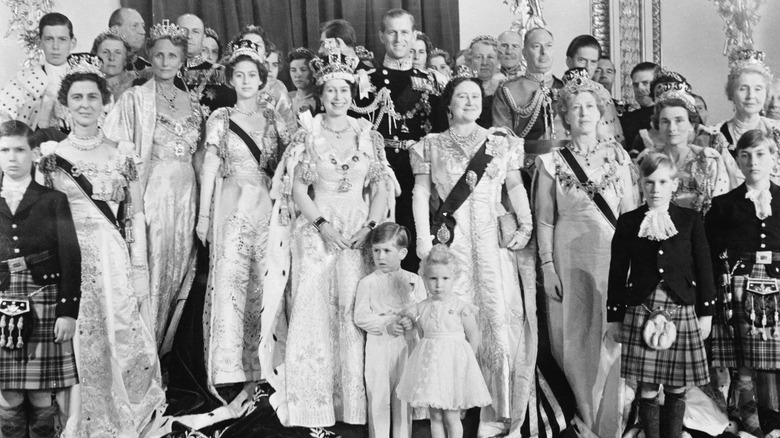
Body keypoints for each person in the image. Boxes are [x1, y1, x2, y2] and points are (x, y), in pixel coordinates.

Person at [259, 44, 396, 429]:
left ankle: (353, 405)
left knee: (354, 309)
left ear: (354, 94)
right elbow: (299, 190)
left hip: (358, 228)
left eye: (344, 90)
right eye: (331, 90)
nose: (338, 97)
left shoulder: (367, 133)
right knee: (315, 307)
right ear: (320, 94)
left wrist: (370, 226)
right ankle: (314, 402)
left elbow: (381, 185)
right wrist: (323, 226)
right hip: (317, 228)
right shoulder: (308, 133)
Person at [37, 56, 165, 436]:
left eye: (92, 96)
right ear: (65, 104)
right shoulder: (51, 157)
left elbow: (135, 216)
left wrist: (139, 268)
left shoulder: (122, 152)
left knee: (121, 329)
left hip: (113, 256)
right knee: (82, 337)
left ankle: (125, 412)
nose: (85, 105)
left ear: (105, 101)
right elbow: (44, 221)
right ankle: (83, 417)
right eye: (77, 97)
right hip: (71, 258)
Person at [410, 75, 536, 437]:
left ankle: (497, 414)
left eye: (476, 96)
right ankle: (453, 411)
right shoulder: (429, 145)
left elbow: (513, 185)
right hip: (452, 245)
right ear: (448, 104)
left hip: (492, 244)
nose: (469, 102)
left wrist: (524, 224)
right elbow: (420, 194)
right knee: (453, 325)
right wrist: (422, 240)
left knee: (497, 322)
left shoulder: (501, 142)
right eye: (462, 97)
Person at [535, 74, 638, 438]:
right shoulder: (552, 161)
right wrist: (547, 266)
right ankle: (583, 419)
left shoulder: (620, 157)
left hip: (613, 254)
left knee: (612, 336)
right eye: (575, 106)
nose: (583, 112)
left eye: (589, 106)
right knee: (575, 337)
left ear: (601, 112)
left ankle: (612, 421)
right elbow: (545, 220)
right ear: (565, 113)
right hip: (568, 255)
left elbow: (631, 217)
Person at [196, 39, 288, 404]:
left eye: (253, 74)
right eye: (240, 75)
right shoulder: (221, 118)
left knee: (264, 281)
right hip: (231, 203)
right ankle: (230, 369)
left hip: (266, 204)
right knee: (231, 279)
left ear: (262, 79)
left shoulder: (275, 120)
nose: (247, 81)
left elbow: (289, 165)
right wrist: (204, 215)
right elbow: (210, 166)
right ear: (231, 80)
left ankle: (265, 365)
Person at [103, 20, 202, 352]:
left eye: (172, 56)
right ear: (149, 57)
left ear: (182, 60)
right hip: (153, 193)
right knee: (154, 269)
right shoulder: (135, 99)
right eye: (158, 55)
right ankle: (144, 356)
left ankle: (168, 355)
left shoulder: (195, 104)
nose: (164, 62)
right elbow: (116, 148)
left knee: (181, 271)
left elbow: (200, 159)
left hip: (188, 195)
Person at [607, 153, 715, 438]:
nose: (656, 189)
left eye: (663, 181)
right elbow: (617, 272)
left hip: (680, 308)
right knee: (648, 385)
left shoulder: (690, 220)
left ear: (674, 184)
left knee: (678, 385)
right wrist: (614, 316)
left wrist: (706, 314)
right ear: (641, 184)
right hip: (642, 309)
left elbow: (705, 269)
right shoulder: (629, 221)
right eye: (649, 182)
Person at [0, 120, 80, 438]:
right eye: (4, 150)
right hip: (2, 299)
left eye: (20, 150)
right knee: (8, 393)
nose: (12, 157)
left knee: (39, 393)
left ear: (34, 154)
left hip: (44, 298)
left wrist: (67, 312)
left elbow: (71, 258)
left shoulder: (52, 200)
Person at [353, 8, 448, 272]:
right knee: (380, 244)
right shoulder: (365, 82)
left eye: (404, 32)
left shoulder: (433, 82)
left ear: (414, 35)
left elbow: (441, 135)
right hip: (380, 172)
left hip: (419, 174)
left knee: (418, 242)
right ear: (382, 36)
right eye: (392, 32)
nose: (398, 39)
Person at [705, 129, 780, 436]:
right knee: (744, 365)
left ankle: (774, 422)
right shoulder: (723, 205)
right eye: (745, 155)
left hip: (777, 287)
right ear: (736, 160)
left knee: (775, 362)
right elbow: (710, 254)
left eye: (761, 154)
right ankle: (751, 427)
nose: (753, 162)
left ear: (773, 158)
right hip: (738, 286)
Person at [396, 244, 492, 438]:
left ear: (454, 278)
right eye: (433, 279)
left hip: (453, 369)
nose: (439, 284)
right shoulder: (421, 307)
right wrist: (407, 325)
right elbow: (422, 334)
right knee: (436, 416)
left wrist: (466, 363)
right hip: (431, 369)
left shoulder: (461, 307)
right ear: (424, 278)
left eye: (445, 279)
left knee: (451, 416)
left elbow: (474, 336)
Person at [354, 223, 426, 438]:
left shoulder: (414, 280)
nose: (381, 257)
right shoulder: (367, 283)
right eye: (376, 250)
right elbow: (360, 316)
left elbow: (423, 309)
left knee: (403, 397)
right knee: (378, 397)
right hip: (379, 345)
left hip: (406, 346)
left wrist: (411, 320)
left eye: (387, 251)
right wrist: (384, 325)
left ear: (402, 253)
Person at [636, 84, 730, 214]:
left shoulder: (707, 163)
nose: (671, 128)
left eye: (678, 120)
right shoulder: (648, 160)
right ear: (658, 125)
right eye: (665, 121)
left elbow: (720, 211)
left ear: (691, 125)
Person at [0, 12, 76, 131]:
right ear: (39, 43)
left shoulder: (86, 78)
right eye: (49, 39)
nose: (55, 46)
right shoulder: (22, 81)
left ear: (72, 42)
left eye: (62, 39)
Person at [493, 27, 562, 144]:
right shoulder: (507, 91)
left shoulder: (566, 88)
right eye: (536, 46)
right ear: (524, 53)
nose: (544, 52)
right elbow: (502, 141)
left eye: (548, 46)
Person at [231, 25, 296, 130]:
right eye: (248, 43)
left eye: (258, 45)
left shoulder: (277, 88)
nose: (252, 48)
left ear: (265, 54)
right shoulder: (232, 83)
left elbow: (290, 127)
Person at [563, 37, 624, 145]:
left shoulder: (602, 93)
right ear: (569, 61)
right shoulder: (557, 91)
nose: (588, 67)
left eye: (593, 62)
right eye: (582, 60)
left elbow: (613, 136)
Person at [619, 61, 658, 149]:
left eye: (645, 83)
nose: (639, 89)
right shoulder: (627, 118)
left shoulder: (666, 116)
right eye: (636, 85)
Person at [91, 28, 137, 100]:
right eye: (105, 52)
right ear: (95, 56)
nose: (111, 58)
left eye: (118, 52)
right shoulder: (87, 85)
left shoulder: (139, 86)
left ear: (126, 59)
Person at [468, 35, 503, 129]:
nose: (484, 63)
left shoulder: (505, 88)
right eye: (479, 57)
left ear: (498, 61)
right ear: (470, 60)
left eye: (490, 57)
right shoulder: (462, 88)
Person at [287, 47, 316, 115]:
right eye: (293, 70)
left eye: (303, 70)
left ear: (313, 72)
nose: (297, 75)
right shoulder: (287, 97)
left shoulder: (319, 102)